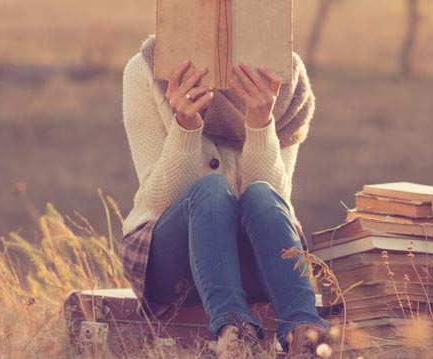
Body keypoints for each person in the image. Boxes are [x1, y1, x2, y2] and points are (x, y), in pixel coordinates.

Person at [118, 35, 327, 357]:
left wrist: (260, 125)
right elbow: (158, 201)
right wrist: (185, 127)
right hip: (174, 265)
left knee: (261, 194)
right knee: (212, 189)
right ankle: (234, 333)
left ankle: (305, 336)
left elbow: (275, 202)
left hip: (259, 261)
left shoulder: (286, 78)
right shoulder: (147, 69)